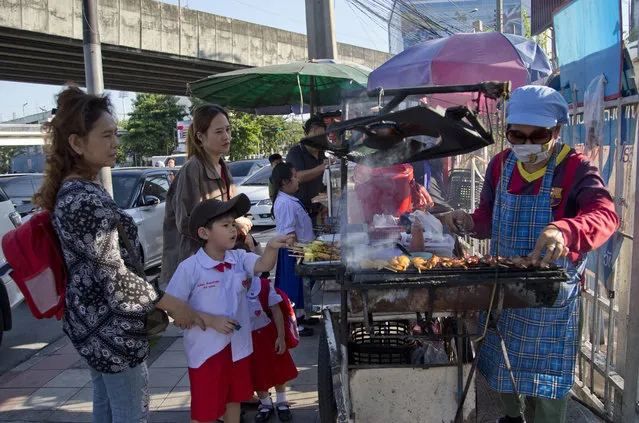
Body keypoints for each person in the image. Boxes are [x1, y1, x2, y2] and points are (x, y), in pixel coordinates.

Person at [440, 85, 619, 423]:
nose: (527, 144)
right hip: (504, 290)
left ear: (557, 131)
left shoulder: (575, 169)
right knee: (505, 369)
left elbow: (606, 215)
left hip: (550, 300)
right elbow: (486, 218)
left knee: (548, 383)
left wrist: (565, 230)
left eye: (538, 135)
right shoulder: (500, 165)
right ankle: (513, 416)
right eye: (516, 135)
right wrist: (467, 221)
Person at [33, 86, 205, 423]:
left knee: (109, 409)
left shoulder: (77, 189)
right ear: (77, 143)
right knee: (130, 414)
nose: (115, 143)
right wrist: (171, 303)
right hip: (112, 332)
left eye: (116, 134)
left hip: (95, 326)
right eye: (107, 135)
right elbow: (113, 275)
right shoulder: (83, 198)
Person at [165, 194, 293, 423]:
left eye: (233, 224)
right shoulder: (191, 268)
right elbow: (171, 306)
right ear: (204, 233)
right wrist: (210, 319)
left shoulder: (239, 258)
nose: (233, 230)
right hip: (208, 353)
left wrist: (272, 246)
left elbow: (263, 264)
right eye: (225, 225)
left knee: (234, 400)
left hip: (239, 348)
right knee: (206, 410)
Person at [162, 104, 253, 283]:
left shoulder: (223, 167)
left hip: (221, 260)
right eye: (218, 131)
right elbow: (186, 222)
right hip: (198, 265)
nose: (226, 136)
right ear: (201, 136)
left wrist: (243, 231)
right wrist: (233, 223)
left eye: (228, 130)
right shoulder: (192, 168)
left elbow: (232, 209)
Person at [271, 162, 315, 337]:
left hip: (300, 248)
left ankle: (302, 315)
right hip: (292, 250)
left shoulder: (289, 200)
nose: (298, 180)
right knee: (292, 286)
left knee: (301, 285)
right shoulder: (284, 203)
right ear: (284, 182)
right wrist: (298, 251)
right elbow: (290, 233)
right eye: (294, 177)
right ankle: (294, 322)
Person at [247, 276, 298, 422]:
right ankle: (265, 403)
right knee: (256, 370)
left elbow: (276, 311)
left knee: (277, 367)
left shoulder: (263, 285)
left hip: (268, 334)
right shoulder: (231, 286)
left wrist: (281, 336)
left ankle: (282, 401)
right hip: (247, 337)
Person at [285, 115, 328, 226]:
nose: (318, 140)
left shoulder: (323, 153)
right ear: (306, 134)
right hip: (300, 212)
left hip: (318, 211)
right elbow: (298, 177)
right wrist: (322, 168)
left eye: (321, 136)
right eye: (315, 136)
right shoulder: (295, 152)